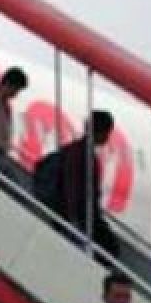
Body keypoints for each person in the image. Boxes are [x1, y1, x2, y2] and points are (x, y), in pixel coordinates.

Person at [58, 110, 119, 258]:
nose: (107, 138)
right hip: (81, 215)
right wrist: (74, 219)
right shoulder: (81, 154)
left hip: (84, 214)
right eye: (107, 133)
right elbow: (72, 187)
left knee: (108, 244)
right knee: (109, 246)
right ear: (100, 132)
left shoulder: (79, 151)